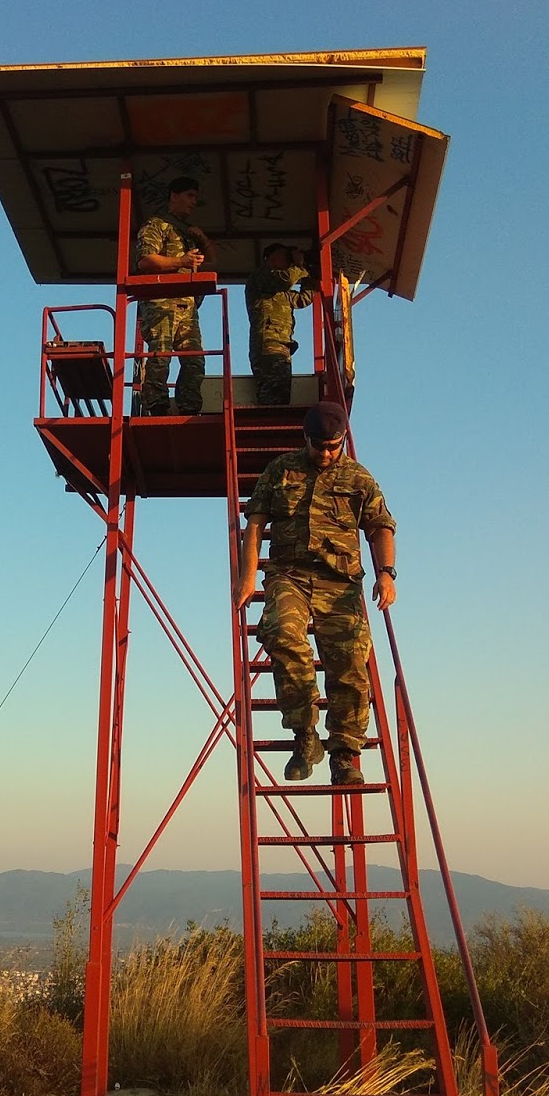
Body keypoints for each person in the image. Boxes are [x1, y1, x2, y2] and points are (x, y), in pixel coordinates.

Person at [232, 401, 397, 784]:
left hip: (340, 583)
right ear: (305, 439)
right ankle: (305, 736)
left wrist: (385, 574)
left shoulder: (359, 479)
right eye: (319, 445)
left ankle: (345, 755)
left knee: (351, 662)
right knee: (281, 634)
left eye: (333, 446)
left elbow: (380, 527)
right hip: (289, 575)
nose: (326, 453)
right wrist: (247, 576)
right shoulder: (281, 470)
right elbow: (256, 521)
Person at [133, 176, 211, 416]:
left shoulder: (186, 232)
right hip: (161, 304)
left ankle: (189, 407)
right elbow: (146, 260)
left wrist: (203, 242)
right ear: (173, 196)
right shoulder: (156, 225)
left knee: (195, 360)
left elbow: (214, 260)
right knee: (161, 355)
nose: (194, 202)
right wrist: (182, 261)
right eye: (190, 195)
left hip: (187, 307)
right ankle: (156, 405)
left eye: (196, 197)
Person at [245, 243, 315, 405]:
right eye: (285, 257)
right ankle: (267, 426)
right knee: (273, 395)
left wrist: (311, 277)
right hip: (268, 344)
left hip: (281, 345)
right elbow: (287, 279)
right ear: (270, 258)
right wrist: (300, 265)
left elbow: (302, 299)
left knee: (281, 393)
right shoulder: (260, 277)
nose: (287, 262)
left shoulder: (280, 291)